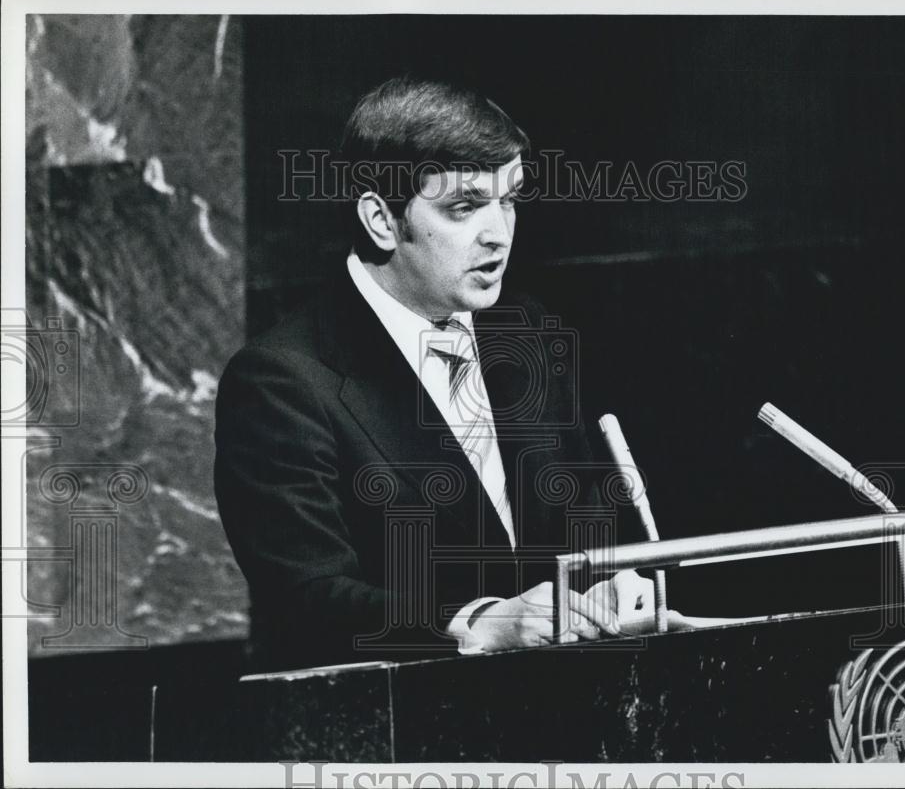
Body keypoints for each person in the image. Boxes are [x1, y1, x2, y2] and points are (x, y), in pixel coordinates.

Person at [214, 77, 656, 671]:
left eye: (511, 198)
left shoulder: (525, 329)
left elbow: (586, 525)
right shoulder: (280, 382)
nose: (498, 233)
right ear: (380, 219)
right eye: (465, 206)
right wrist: (477, 622)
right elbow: (309, 598)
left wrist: (613, 593)